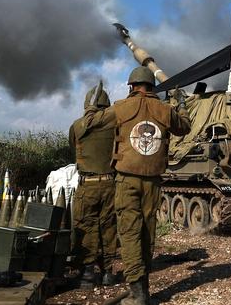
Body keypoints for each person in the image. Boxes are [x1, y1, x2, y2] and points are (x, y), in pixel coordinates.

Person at [84, 67, 190, 305]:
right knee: (146, 233)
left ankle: (138, 294)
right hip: (153, 181)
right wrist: (181, 103)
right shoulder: (164, 109)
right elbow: (185, 126)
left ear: (131, 86)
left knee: (130, 234)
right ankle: (143, 289)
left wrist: (92, 104)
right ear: (151, 86)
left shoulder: (120, 108)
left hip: (126, 180)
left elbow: (90, 122)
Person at [69, 82, 118, 289]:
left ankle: (87, 274)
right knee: (108, 227)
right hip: (110, 184)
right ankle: (107, 273)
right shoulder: (114, 124)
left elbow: (73, 145)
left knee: (85, 227)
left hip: (86, 185)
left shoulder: (77, 126)